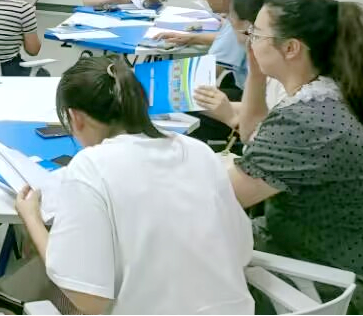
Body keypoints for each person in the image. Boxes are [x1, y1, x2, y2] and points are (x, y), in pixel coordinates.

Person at [15, 57, 253, 315]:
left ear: (76, 117)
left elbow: (89, 301)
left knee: (34, 286)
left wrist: (32, 219)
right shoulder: (198, 150)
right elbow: (240, 251)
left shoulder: (90, 167)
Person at [228, 0, 363, 313]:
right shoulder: (332, 93)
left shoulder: (306, 120)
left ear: (291, 48)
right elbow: (254, 136)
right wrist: (255, 73)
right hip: (354, 266)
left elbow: (222, 195)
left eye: (257, 34)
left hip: (338, 287)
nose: (250, 41)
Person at [194, 0, 292, 130]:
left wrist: (231, 117)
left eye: (231, 22)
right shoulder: (266, 66)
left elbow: (264, 131)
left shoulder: (279, 76)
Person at [159, 0, 250, 82]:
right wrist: (192, 38)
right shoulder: (249, 7)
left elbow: (202, 77)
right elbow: (228, 39)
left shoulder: (238, 20)